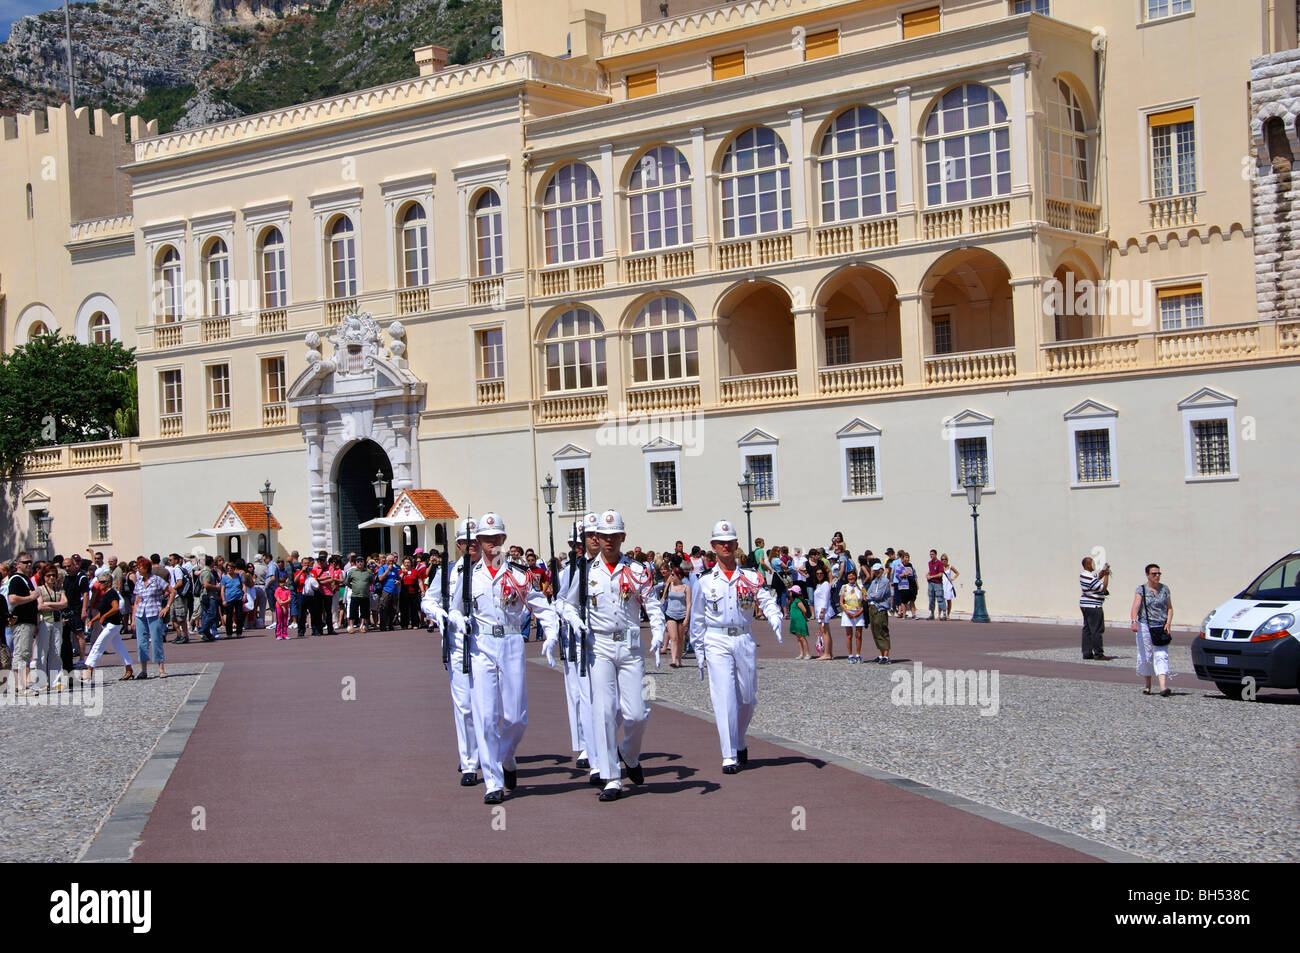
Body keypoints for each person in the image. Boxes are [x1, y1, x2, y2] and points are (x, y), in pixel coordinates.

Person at [568, 509, 665, 802]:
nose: (608, 542)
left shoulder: (637, 570)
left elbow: (652, 602)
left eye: (614, 536)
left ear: (622, 537)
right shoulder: (585, 570)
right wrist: (574, 620)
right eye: (603, 537)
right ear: (596, 538)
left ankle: (628, 753)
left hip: (631, 647)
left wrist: (658, 631)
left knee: (637, 712)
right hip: (599, 646)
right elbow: (567, 603)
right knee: (605, 710)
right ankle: (611, 776)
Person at [463, 512, 559, 804]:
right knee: (486, 714)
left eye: (496, 538)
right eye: (486, 539)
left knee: (516, 716)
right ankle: (493, 781)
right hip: (481, 644)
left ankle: (506, 755)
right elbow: (454, 606)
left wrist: (552, 633)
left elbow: (540, 605)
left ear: (504, 540)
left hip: (511, 640)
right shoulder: (467, 575)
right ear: (478, 541)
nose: (491, 543)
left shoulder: (518, 574)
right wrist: (455, 619)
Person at [689, 519, 783, 775]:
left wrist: (774, 615)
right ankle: (729, 753)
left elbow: (764, 597)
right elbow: (697, 617)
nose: (726, 546)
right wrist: (698, 648)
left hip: (743, 637)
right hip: (717, 639)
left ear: (736, 544)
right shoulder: (705, 581)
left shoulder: (750, 576)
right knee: (724, 697)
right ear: (713, 546)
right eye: (721, 543)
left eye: (730, 542)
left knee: (748, 697)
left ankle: (739, 738)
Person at [422, 518, 482, 787]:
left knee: (490, 706)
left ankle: (489, 752)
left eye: (476, 542)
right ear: (459, 545)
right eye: (467, 543)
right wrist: (440, 615)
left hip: (486, 644)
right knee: (464, 705)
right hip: (457, 644)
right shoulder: (447, 571)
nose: (472, 547)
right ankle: (469, 761)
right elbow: (428, 601)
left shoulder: (491, 570)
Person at [553, 522, 601, 787]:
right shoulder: (569, 570)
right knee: (579, 694)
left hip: (599, 638)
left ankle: (599, 743)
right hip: (574, 638)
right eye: (575, 544)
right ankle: (585, 744)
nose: (578, 548)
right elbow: (560, 601)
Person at [83, 570, 135, 681]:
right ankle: (129, 669)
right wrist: (93, 620)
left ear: (108, 583)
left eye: (102, 582)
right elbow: (102, 611)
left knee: (98, 645)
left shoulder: (111, 593)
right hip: (110, 624)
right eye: (99, 581)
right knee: (119, 648)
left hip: (112, 624)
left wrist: (103, 617)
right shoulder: (106, 594)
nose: (99, 584)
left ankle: (89, 670)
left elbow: (115, 608)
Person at [1131, 564, 1174, 697]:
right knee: (1146, 656)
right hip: (1145, 626)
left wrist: (1168, 623)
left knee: (1161, 655)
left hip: (1160, 627)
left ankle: (1163, 687)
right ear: (1147, 575)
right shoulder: (1142, 589)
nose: (1157, 576)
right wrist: (1134, 621)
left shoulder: (1164, 589)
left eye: (1158, 573)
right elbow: (1135, 607)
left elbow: (1170, 608)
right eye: (1154, 574)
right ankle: (1148, 685)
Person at [133, 555, 172, 679]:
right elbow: (137, 600)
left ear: (146, 568)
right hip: (140, 613)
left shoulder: (156, 580)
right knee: (141, 642)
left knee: (156, 640)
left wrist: (167, 607)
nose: (138, 569)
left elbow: (172, 591)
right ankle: (143, 670)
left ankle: (161, 668)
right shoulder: (139, 581)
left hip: (154, 612)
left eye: (140, 567)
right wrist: (133, 618)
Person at [7, 553, 40, 694]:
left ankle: (21, 685)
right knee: (21, 653)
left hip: (29, 622)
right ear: (18, 564)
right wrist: (31, 597)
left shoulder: (26, 579)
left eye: (30, 562)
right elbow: (13, 599)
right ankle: (20, 687)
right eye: (25, 562)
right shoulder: (16, 579)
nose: (28, 564)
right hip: (21, 622)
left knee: (25, 654)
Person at [36, 566, 69, 691]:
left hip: (57, 622)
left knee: (56, 651)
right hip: (44, 622)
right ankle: (42, 681)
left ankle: (55, 682)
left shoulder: (59, 589)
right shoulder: (39, 590)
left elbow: (65, 603)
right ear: (44, 577)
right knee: (42, 652)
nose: (51, 578)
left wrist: (49, 604)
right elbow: (40, 607)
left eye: (53, 575)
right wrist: (57, 606)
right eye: (48, 575)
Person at [1079, 556, 1112, 660]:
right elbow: (1102, 588)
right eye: (1092, 563)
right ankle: (1099, 654)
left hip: (1086, 605)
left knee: (1087, 629)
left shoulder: (1086, 575)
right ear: (1087, 565)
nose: (1093, 564)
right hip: (1093, 605)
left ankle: (1087, 652)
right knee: (1097, 629)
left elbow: (1097, 576)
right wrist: (1107, 576)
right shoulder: (1088, 577)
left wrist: (1103, 571)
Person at [661, 561, 691, 668]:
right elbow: (664, 597)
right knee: (673, 637)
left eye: (673, 574)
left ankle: (679, 659)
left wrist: (687, 618)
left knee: (680, 638)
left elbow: (688, 604)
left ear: (679, 576)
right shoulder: (670, 585)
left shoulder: (686, 587)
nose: (671, 576)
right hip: (670, 614)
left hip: (682, 614)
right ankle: (673, 659)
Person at [865, 561, 892, 664]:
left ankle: (886, 655)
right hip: (873, 608)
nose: (876, 573)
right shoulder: (874, 581)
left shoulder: (884, 581)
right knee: (875, 631)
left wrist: (870, 596)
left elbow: (879, 595)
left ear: (881, 570)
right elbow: (869, 593)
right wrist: (870, 596)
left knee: (882, 631)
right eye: (875, 571)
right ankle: (881, 654)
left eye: (878, 571)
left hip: (880, 609)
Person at [839, 567, 866, 662]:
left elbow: (864, 602)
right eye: (849, 576)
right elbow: (841, 602)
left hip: (858, 612)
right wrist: (847, 612)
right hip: (848, 613)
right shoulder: (844, 587)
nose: (851, 578)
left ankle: (858, 654)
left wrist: (859, 612)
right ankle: (850, 655)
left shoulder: (861, 587)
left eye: (853, 576)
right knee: (849, 635)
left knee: (858, 635)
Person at [345, 556, 373, 633]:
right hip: (355, 595)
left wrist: (365, 586)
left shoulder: (368, 572)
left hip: (365, 595)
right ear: (356, 563)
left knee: (364, 612)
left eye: (361, 561)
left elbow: (371, 582)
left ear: (364, 563)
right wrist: (353, 587)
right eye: (358, 562)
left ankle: (362, 626)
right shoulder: (352, 572)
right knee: (353, 611)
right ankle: (351, 627)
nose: (360, 563)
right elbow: (346, 582)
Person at [811, 565, 833, 660]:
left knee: (825, 632)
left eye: (821, 573)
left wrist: (822, 611)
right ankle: (829, 653)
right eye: (817, 574)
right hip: (819, 610)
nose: (819, 575)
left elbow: (825, 598)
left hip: (823, 611)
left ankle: (827, 653)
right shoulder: (819, 584)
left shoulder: (825, 584)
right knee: (825, 631)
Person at [787, 582, 812, 660]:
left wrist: (804, 617)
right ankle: (801, 653)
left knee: (802, 638)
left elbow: (804, 610)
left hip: (799, 621)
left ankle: (807, 653)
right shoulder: (793, 601)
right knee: (798, 638)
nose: (790, 593)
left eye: (791, 591)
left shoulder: (798, 601)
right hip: (794, 621)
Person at [925, 549, 946, 620]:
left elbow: (940, 574)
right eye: (930, 554)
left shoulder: (939, 563)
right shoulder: (930, 563)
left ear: (936, 555)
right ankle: (932, 613)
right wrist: (928, 575)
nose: (931, 556)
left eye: (932, 554)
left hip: (938, 583)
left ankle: (944, 614)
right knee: (931, 598)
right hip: (931, 583)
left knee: (940, 598)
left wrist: (932, 576)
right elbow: (931, 571)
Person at [940, 554, 959, 620]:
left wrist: (953, 578)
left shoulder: (950, 567)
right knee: (941, 600)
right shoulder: (940, 567)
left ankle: (948, 614)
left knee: (948, 600)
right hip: (941, 584)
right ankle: (941, 614)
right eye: (942, 559)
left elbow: (957, 573)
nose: (943, 561)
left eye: (945, 559)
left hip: (948, 585)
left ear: (947, 560)